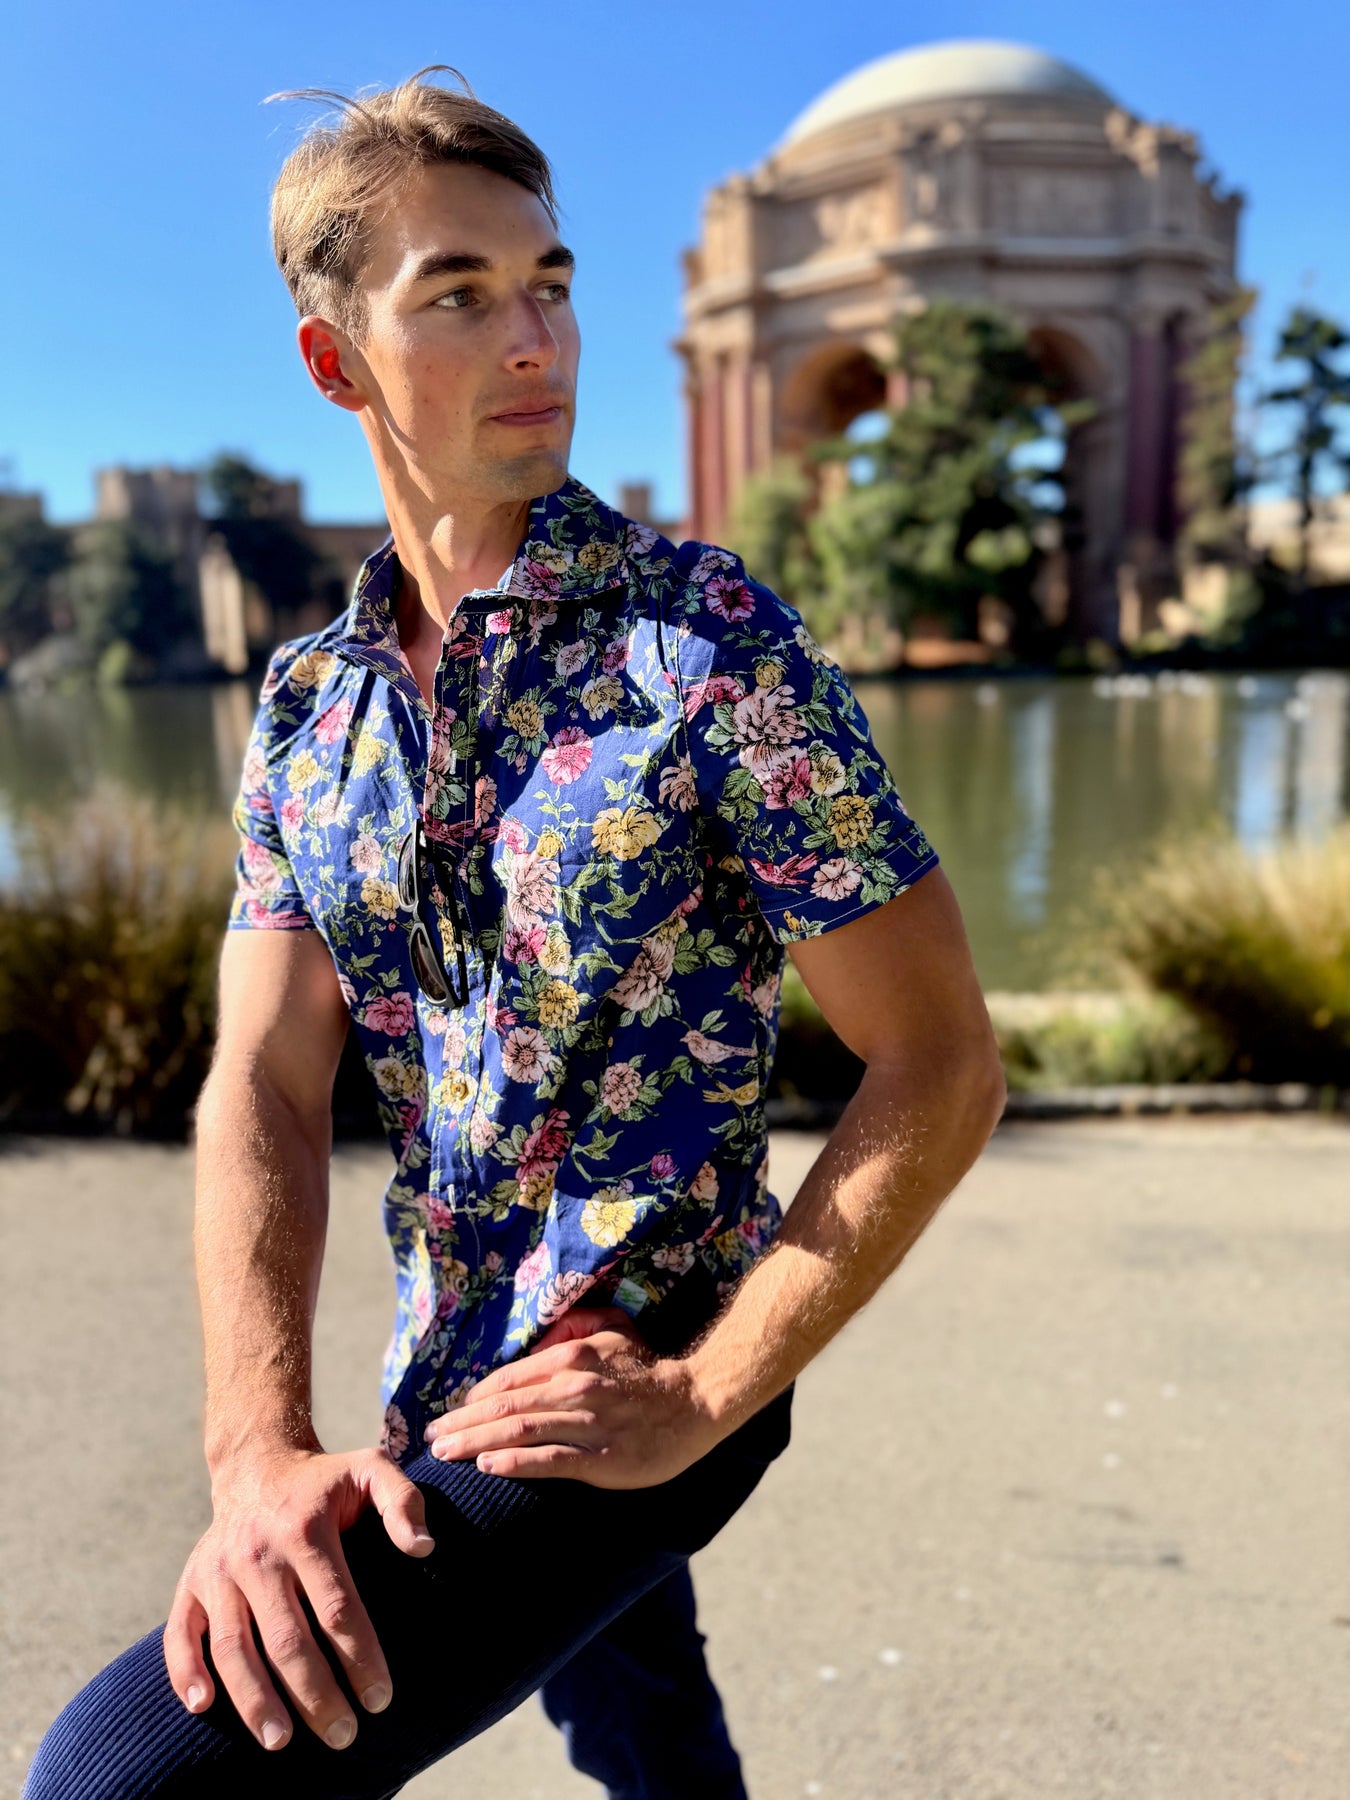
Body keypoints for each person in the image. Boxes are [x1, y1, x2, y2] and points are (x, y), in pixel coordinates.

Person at [24, 65, 1006, 1800]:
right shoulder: (308, 707)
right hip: (449, 1362)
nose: (536, 338)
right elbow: (262, 1074)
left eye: (548, 284)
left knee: (122, 1780)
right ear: (336, 362)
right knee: (644, 1722)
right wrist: (254, 1449)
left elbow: (936, 1059)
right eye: (460, 296)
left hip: (647, 1375)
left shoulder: (705, 647)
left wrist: (706, 1395)